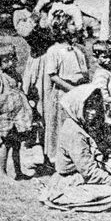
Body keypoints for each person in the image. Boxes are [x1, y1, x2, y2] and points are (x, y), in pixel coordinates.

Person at [41, 85, 111, 212]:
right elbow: (88, 171)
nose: (92, 112)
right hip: (73, 182)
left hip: (94, 176)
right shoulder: (73, 131)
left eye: (94, 107)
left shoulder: (87, 125)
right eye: (87, 107)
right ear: (77, 106)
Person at [13, 0, 56, 161]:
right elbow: (26, 31)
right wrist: (38, 9)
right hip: (38, 62)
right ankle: (38, 150)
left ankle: (53, 149)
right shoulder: (21, 14)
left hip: (54, 59)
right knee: (37, 105)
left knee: (53, 105)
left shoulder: (51, 11)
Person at [0, 42, 36, 179]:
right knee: (6, 144)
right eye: (5, 61)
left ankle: (18, 171)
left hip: (18, 115)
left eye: (12, 59)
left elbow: (21, 91)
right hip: (6, 115)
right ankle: (2, 171)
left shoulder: (16, 75)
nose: (10, 63)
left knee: (17, 144)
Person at [45, 11, 90, 162]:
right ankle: (60, 158)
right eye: (72, 24)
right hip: (64, 93)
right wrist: (71, 89)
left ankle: (78, 157)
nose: (76, 26)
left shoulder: (78, 49)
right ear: (62, 28)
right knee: (62, 125)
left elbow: (85, 71)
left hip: (79, 91)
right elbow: (53, 76)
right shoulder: (54, 51)